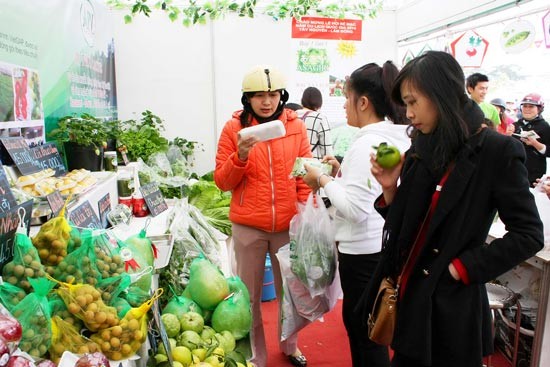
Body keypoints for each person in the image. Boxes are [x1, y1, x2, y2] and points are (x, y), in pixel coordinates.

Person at [357, 51, 544, 367]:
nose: (409, 113)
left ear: (441, 95)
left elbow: (528, 234)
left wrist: (462, 267)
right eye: (405, 103)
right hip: (410, 295)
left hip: (450, 306)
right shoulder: (424, 143)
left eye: (414, 102)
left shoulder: (496, 151)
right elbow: (411, 227)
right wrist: (391, 188)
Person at [302, 61, 410, 367]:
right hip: (378, 247)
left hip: (363, 256)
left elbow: (355, 209)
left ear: (363, 102)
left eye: (347, 99)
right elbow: (368, 193)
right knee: (369, 330)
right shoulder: (391, 136)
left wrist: (321, 180)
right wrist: (339, 173)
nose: (345, 107)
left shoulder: (367, 144)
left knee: (365, 336)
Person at [213, 65, 311, 367]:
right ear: (248, 99)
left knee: (289, 295)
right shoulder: (233, 130)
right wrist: (240, 156)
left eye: (272, 94)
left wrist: (304, 214)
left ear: (282, 96)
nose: (266, 101)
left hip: (286, 225)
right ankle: (254, 355)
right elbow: (222, 181)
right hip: (248, 226)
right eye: (259, 96)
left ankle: (290, 345)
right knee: (249, 297)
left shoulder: (295, 127)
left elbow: (304, 174)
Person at [512, 93, 550, 185]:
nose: (527, 109)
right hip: (513, 173)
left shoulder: (544, 127)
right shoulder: (515, 125)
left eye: (531, 106)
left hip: (534, 177)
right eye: (525, 106)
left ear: (539, 109)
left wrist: (535, 144)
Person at [296, 87, 334, 160]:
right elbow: (327, 150)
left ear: (302, 100)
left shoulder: (292, 116)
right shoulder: (319, 118)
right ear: (319, 102)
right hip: (313, 166)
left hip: (293, 166)